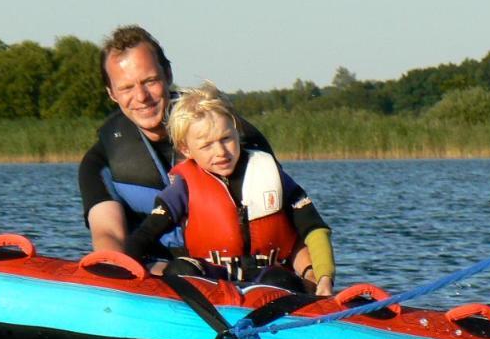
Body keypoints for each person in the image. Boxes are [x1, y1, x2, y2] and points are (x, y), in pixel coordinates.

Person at [123, 83, 335, 295]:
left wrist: (324, 277)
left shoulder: (272, 175)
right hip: (211, 280)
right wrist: (123, 267)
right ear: (186, 149)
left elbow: (314, 227)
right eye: (207, 146)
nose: (221, 152)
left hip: (264, 280)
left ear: (237, 131)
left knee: (281, 280)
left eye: (226, 139)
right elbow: (147, 232)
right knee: (179, 269)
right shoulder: (183, 188)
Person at [77, 25, 272, 254]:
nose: (141, 97)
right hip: (157, 275)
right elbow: (107, 234)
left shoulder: (235, 138)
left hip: (240, 271)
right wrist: (114, 267)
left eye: (149, 81)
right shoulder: (98, 163)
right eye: (127, 87)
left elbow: (287, 211)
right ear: (111, 93)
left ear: (168, 74)